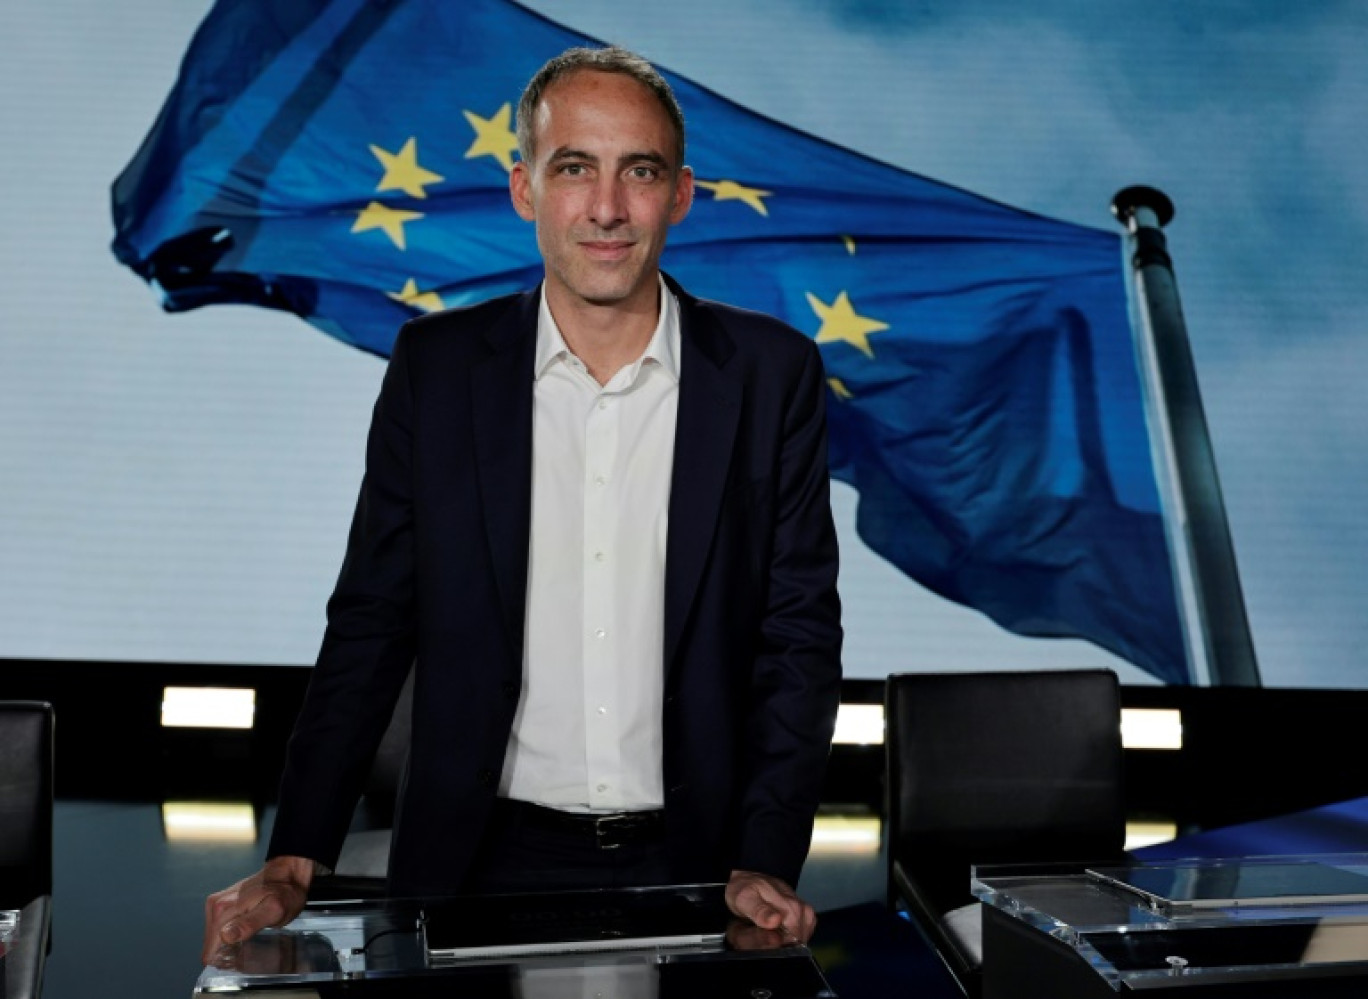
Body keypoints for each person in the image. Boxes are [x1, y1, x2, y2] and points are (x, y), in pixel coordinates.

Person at [202, 44, 842, 963]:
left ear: (682, 194)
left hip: (701, 868)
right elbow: (372, 621)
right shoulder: (437, 370)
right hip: (473, 860)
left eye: (641, 172)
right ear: (524, 188)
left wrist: (766, 856)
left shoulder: (771, 374)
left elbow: (799, 636)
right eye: (574, 168)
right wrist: (298, 847)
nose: (608, 208)